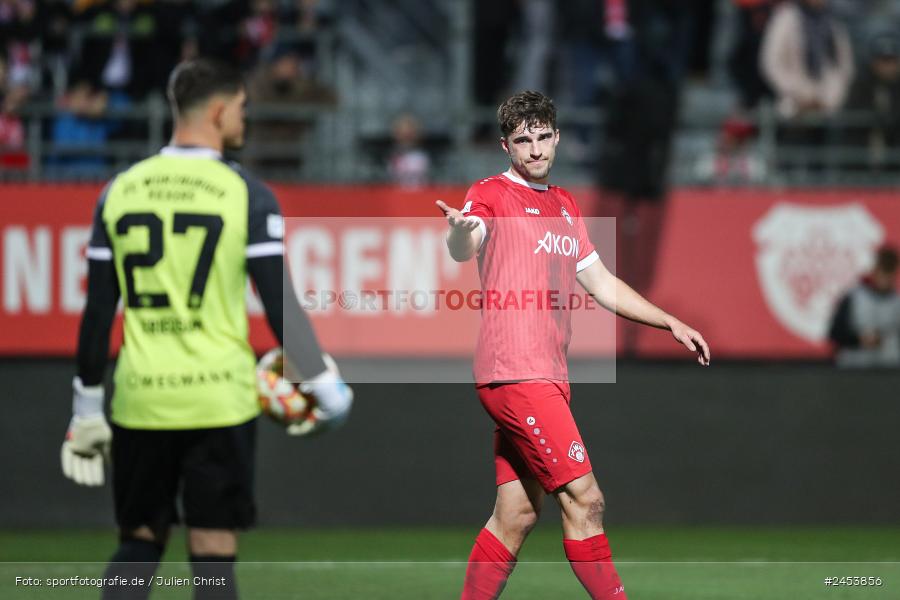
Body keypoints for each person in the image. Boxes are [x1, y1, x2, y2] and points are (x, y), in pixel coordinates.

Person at [60, 58, 353, 600]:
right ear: (219, 111)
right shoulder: (246, 193)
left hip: (140, 398)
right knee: (213, 554)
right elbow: (278, 302)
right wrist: (327, 389)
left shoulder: (120, 190)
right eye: (242, 108)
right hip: (218, 399)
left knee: (138, 544)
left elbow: (98, 311)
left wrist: (85, 407)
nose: (245, 119)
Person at [436, 91, 710, 600]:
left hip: (547, 375)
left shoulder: (564, 205)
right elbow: (467, 239)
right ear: (506, 145)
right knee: (586, 501)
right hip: (516, 372)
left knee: (515, 514)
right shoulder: (491, 193)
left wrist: (667, 320)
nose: (535, 149)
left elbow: (601, 283)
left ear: (556, 137)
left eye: (543, 137)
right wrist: (458, 233)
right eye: (523, 140)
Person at [828, 245, 900, 368]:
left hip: (889, 373)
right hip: (855, 371)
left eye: (889, 271)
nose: (885, 277)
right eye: (883, 270)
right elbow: (835, 334)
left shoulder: (896, 303)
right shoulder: (854, 298)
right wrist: (860, 340)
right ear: (874, 270)